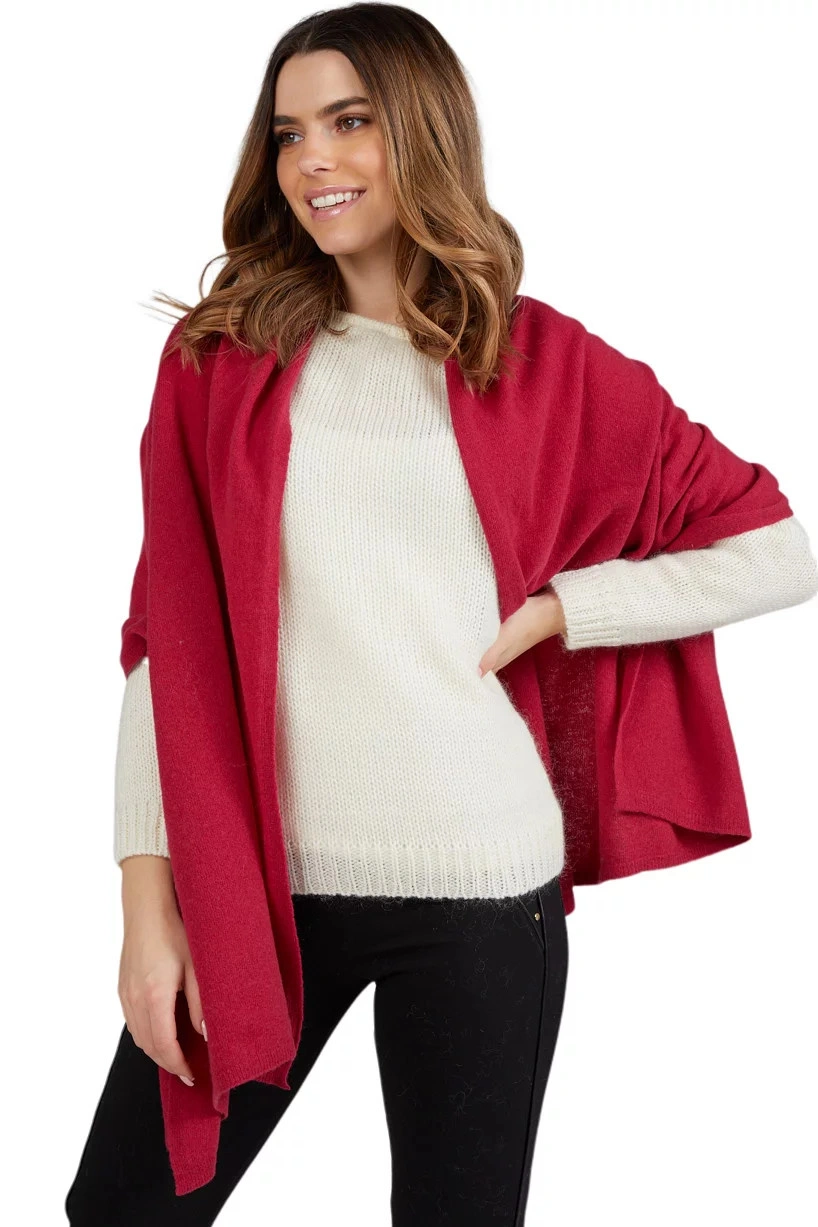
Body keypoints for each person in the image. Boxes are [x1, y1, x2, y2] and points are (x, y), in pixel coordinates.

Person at [63, 5, 818, 1225]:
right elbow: (168, 648)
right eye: (288, 133)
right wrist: (147, 914)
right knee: (123, 1208)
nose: (312, 160)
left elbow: (777, 550)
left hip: (481, 880)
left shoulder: (545, 362)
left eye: (348, 122)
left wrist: (566, 609)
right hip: (260, 884)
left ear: (421, 131)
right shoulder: (219, 362)